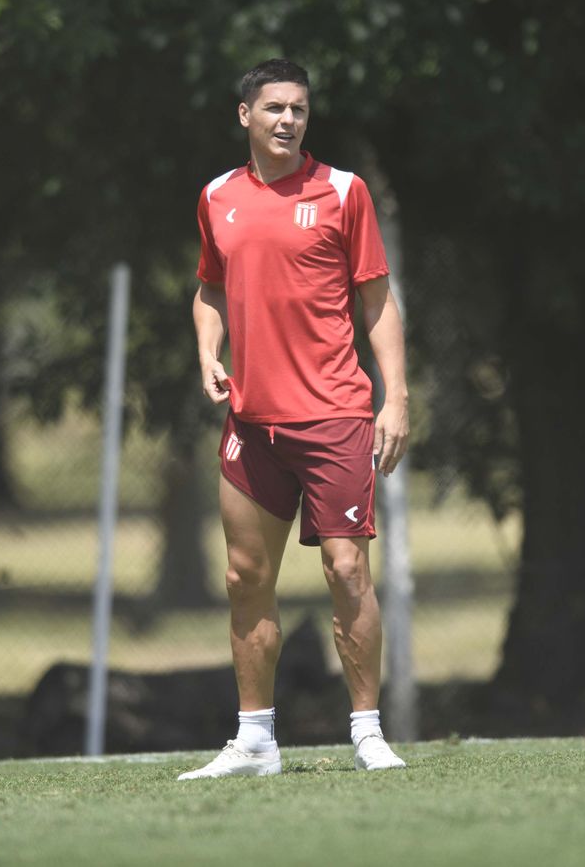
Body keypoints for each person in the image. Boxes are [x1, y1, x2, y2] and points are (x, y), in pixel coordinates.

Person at [180, 59, 410, 779]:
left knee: (346, 569)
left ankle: (368, 730)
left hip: (336, 414)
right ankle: (255, 740)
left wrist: (395, 397)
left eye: (300, 109)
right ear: (243, 115)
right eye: (274, 107)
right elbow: (208, 290)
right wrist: (208, 351)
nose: (288, 120)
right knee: (246, 575)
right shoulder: (217, 196)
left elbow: (378, 303)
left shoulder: (344, 192)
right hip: (251, 424)